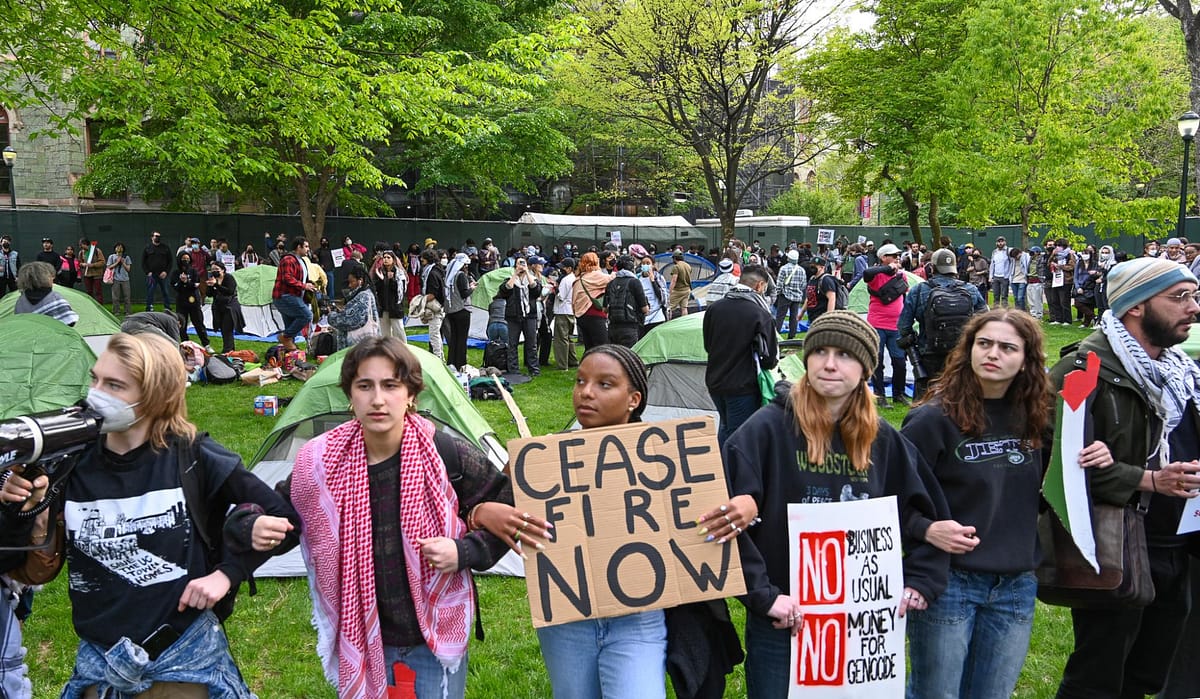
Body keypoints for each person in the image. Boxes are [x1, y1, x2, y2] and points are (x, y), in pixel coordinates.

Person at [0, 331, 300, 698]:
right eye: (95, 379)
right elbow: (17, 562)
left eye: (115, 385)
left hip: (184, 657)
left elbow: (286, 520)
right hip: (99, 660)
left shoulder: (194, 456)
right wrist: (22, 511)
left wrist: (227, 573)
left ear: (153, 396)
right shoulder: (71, 460)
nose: (96, 394)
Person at [258, 337, 511, 698]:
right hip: (360, 630)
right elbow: (282, 511)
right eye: (365, 386)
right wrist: (254, 524)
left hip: (431, 637)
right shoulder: (321, 463)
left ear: (411, 394)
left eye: (391, 385)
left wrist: (465, 552)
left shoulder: (445, 453)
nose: (378, 399)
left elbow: (508, 504)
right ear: (350, 395)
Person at [723, 310, 948, 699]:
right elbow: (725, 523)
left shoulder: (884, 440)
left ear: (865, 369)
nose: (829, 364)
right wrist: (762, 596)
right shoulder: (764, 430)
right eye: (820, 352)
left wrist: (921, 581)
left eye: (845, 355)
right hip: (782, 618)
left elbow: (920, 510)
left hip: (861, 620)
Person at [902, 309, 1112, 698]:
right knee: (937, 694)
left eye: (1006, 347)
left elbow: (1063, 489)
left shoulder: (1039, 419)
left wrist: (1094, 456)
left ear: (1027, 359)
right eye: (984, 344)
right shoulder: (932, 420)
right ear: (968, 350)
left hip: (1016, 582)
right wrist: (926, 528)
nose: (992, 353)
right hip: (949, 581)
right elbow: (892, 496)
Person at [1051, 257, 1200, 699]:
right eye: (1179, 297)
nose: (1193, 307)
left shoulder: (1181, 373)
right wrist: (1149, 480)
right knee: (1098, 677)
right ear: (1134, 306)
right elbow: (1059, 469)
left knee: (1148, 674)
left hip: (1179, 543)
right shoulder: (1082, 371)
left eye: (1194, 295)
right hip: (1117, 545)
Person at [702, 265, 778, 446]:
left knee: (726, 427)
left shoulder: (715, 309)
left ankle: (722, 468)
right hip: (742, 385)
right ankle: (732, 471)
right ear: (759, 286)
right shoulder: (760, 314)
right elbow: (769, 359)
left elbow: (707, 345)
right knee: (739, 436)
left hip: (715, 380)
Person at [897, 249, 987, 398]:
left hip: (929, 354)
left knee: (924, 403)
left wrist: (913, 341)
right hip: (961, 354)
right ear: (954, 267)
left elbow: (903, 326)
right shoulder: (970, 289)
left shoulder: (919, 290)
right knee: (961, 399)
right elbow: (984, 321)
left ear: (932, 267)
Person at [862, 243, 909, 408]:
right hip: (877, 324)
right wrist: (886, 269)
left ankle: (899, 394)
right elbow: (866, 273)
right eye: (893, 256)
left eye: (898, 256)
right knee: (878, 361)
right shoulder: (875, 275)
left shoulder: (901, 276)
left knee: (900, 362)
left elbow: (905, 296)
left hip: (895, 326)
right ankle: (880, 395)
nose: (897, 258)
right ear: (884, 258)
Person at [497, 256, 542, 377]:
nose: (521, 266)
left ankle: (533, 369)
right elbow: (504, 291)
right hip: (513, 317)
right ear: (515, 266)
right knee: (512, 344)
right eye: (519, 264)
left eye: (523, 263)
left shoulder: (532, 279)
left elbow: (537, 291)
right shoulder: (509, 280)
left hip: (530, 316)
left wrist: (527, 272)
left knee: (532, 343)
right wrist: (515, 275)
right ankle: (513, 369)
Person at [272, 236, 315, 352]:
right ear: (298, 247)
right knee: (307, 315)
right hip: (285, 296)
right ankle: (284, 337)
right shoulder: (288, 260)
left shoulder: (300, 260)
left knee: (291, 325)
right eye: (305, 247)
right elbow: (287, 278)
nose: (308, 249)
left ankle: (291, 354)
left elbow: (299, 278)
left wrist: (309, 284)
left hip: (291, 296)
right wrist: (304, 286)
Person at [327, 267, 381, 350]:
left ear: (360, 281)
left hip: (359, 346)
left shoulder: (364, 296)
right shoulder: (365, 294)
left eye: (352, 282)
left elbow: (352, 320)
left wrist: (332, 316)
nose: (349, 285)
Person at [604, 255, 649, 348]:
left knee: (615, 357)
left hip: (613, 327)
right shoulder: (635, 282)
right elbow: (644, 309)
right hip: (630, 327)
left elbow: (604, 309)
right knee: (629, 358)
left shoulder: (611, 283)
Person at [14, 261, 78, 326]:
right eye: (50, 276)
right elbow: (70, 322)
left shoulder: (20, 301)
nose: (53, 278)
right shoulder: (54, 297)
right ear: (43, 278)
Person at [172, 251, 211, 350]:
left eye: (187, 258)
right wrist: (181, 282)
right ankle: (185, 344)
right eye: (183, 259)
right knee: (181, 324)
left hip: (194, 301)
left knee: (198, 323)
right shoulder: (176, 273)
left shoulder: (194, 271)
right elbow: (175, 287)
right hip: (181, 301)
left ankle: (206, 344)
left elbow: (195, 285)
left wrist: (187, 282)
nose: (185, 261)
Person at [572, 252, 610, 352]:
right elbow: (612, 278)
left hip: (581, 317)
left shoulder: (580, 278)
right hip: (594, 315)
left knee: (589, 347)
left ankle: (587, 366)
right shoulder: (594, 276)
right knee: (602, 348)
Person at [444, 251, 475, 369]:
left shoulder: (450, 275)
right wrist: (471, 288)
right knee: (462, 339)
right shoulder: (461, 275)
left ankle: (452, 362)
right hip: (462, 310)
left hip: (451, 311)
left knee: (454, 338)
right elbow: (464, 293)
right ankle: (461, 363)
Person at [371, 250, 408, 343]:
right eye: (384, 257)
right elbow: (376, 289)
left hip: (395, 307)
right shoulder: (379, 272)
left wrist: (392, 280)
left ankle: (403, 351)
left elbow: (400, 291)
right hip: (383, 307)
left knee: (398, 331)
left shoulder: (399, 273)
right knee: (384, 333)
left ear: (393, 260)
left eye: (388, 257)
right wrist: (381, 280)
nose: (386, 259)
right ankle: (386, 352)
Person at [206, 263, 240, 354]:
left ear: (223, 270)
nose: (214, 271)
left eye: (216, 269)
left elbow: (230, 291)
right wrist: (210, 286)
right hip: (218, 307)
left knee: (227, 329)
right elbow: (209, 294)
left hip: (230, 307)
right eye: (212, 269)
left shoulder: (228, 278)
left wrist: (216, 285)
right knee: (223, 329)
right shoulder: (213, 279)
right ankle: (230, 350)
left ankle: (227, 351)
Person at [420, 249, 447, 361]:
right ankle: (440, 357)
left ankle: (438, 358)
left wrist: (421, 301)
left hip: (435, 307)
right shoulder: (438, 270)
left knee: (434, 335)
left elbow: (433, 293)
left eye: (423, 258)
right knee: (436, 334)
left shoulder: (431, 273)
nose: (421, 260)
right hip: (441, 306)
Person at [552, 258, 578, 369]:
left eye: (563, 267)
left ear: (569, 268)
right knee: (569, 338)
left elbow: (561, 296)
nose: (560, 269)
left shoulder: (566, 280)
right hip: (571, 311)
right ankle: (573, 361)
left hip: (562, 311)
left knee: (561, 339)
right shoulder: (574, 278)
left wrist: (554, 289)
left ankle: (563, 365)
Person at [774, 250, 806, 339]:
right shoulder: (801, 270)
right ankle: (792, 336)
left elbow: (779, 284)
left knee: (780, 316)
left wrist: (779, 293)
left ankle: (775, 335)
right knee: (794, 317)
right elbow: (803, 284)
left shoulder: (784, 268)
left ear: (789, 258)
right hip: (797, 297)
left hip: (785, 295)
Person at [804, 257, 844, 325]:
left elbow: (832, 298)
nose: (812, 268)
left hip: (822, 318)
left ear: (822, 267)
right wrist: (802, 312)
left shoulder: (826, 280)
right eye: (811, 265)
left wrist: (828, 318)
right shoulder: (812, 279)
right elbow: (809, 297)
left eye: (815, 266)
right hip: (812, 316)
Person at [1047, 238, 1077, 325]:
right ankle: (1058, 319)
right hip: (1056, 279)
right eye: (1056, 246)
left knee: (1064, 301)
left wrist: (1060, 266)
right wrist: (1052, 255)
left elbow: (1072, 266)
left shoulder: (1069, 254)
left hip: (1066, 280)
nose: (1057, 247)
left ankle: (1067, 319)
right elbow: (1048, 264)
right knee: (1055, 300)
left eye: (1059, 246)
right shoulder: (1055, 255)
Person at [142, 231, 173, 312]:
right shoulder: (147, 248)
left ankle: (167, 307)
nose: (157, 238)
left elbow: (170, 261)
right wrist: (148, 272)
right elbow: (143, 262)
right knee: (150, 292)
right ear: (152, 237)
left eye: (159, 236)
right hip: (152, 275)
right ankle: (149, 308)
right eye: (156, 236)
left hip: (163, 274)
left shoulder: (165, 248)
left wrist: (166, 272)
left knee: (165, 291)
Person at [639, 253, 669, 337]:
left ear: (653, 265)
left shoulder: (659, 278)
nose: (645, 265)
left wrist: (653, 280)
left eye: (648, 263)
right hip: (644, 319)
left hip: (657, 317)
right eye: (643, 263)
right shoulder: (638, 279)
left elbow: (662, 298)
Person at [106, 242, 133, 316]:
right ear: (115, 248)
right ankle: (116, 311)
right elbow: (108, 267)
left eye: (121, 247)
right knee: (115, 297)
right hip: (115, 279)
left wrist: (123, 263)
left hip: (125, 279)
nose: (119, 248)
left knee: (127, 296)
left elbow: (128, 269)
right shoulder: (111, 257)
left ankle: (127, 311)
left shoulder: (126, 257)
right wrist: (117, 262)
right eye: (117, 247)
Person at [666, 251, 692, 318]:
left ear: (675, 258)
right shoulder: (688, 265)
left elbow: (674, 280)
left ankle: (667, 323)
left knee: (669, 308)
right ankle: (684, 323)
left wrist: (670, 291)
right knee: (684, 308)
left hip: (678, 291)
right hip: (687, 290)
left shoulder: (676, 267)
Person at [79, 240, 105, 305]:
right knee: (89, 291)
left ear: (85, 244)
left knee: (98, 291)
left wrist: (92, 265)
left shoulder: (96, 250)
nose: (80, 246)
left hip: (97, 274)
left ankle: (100, 306)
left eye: (81, 244)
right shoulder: (81, 252)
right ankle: (91, 306)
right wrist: (82, 264)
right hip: (87, 274)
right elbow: (79, 263)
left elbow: (102, 262)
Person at [988, 237, 1012, 307]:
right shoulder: (994, 252)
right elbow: (992, 264)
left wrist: (1009, 276)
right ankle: (996, 311)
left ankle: (1004, 311)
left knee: (1004, 296)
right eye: (999, 241)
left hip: (1005, 277)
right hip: (995, 277)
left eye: (1002, 241)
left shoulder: (1008, 251)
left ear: (1005, 242)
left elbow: (1011, 264)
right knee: (995, 296)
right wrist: (990, 276)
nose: (1000, 243)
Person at [1008, 245, 1030, 311]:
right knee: (1015, 298)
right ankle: (1017, 312)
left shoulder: (1025, 256)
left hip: (1022, 280)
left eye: (1016, 256)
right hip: (1014, 280)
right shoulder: (1013, 260)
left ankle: (1022, 312)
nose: (1015, 258)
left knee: (1020, 298)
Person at [1027, 246, 1046, 319]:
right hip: (1030, 281)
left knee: (1037, 300)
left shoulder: (1041, 259)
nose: (1031, 253)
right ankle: (1033, 315)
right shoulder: (1030, 260)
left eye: (1033, 252)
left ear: (1037, 253)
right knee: (1031, 300)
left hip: (1037, 281)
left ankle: (1039, 315)